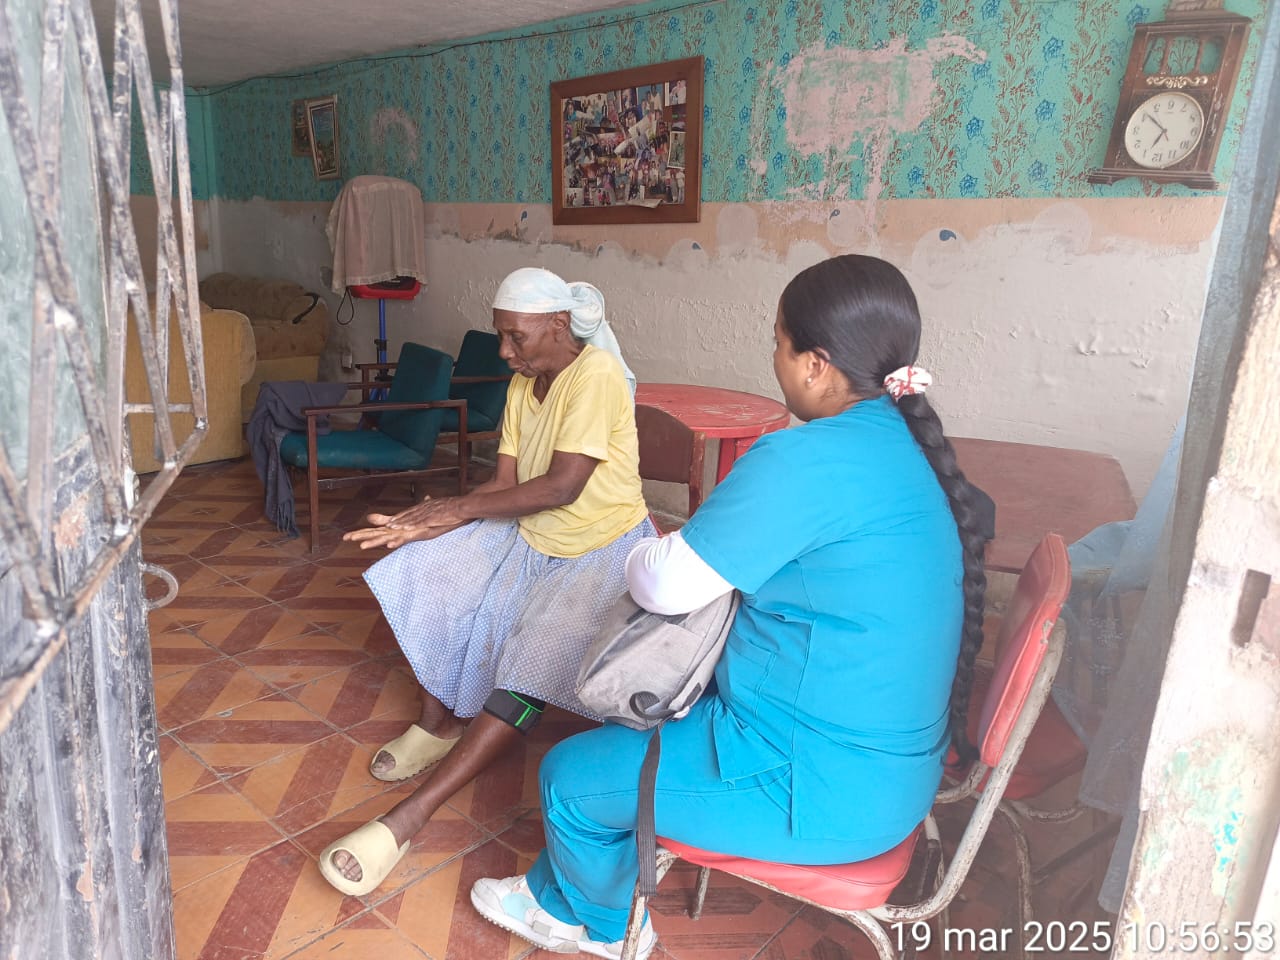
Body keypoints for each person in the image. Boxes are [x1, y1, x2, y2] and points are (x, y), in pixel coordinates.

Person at [467, 255, 990, 958]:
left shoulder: (802, 460)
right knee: (645, 728)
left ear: (816, 365)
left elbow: (664, 584)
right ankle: (559, 893)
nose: (773, 359)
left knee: (568, 780)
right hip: (892, 773)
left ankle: (600, 925)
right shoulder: (912, 446)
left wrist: (649, 546)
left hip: (813, 783)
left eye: (778, 343)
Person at [317, 267, 652, 895]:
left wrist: (457, 509)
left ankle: (408, 818)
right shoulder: (525, 384)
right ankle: (438, 725)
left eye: (515, 336)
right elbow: (504, 484)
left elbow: (561, 487)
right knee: (429, 575)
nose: (504, 350)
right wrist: (434, 520)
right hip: (532, 533)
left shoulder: (597, 376)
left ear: (559, 325)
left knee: (527, 663)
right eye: (501, 335)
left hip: (598, 548)